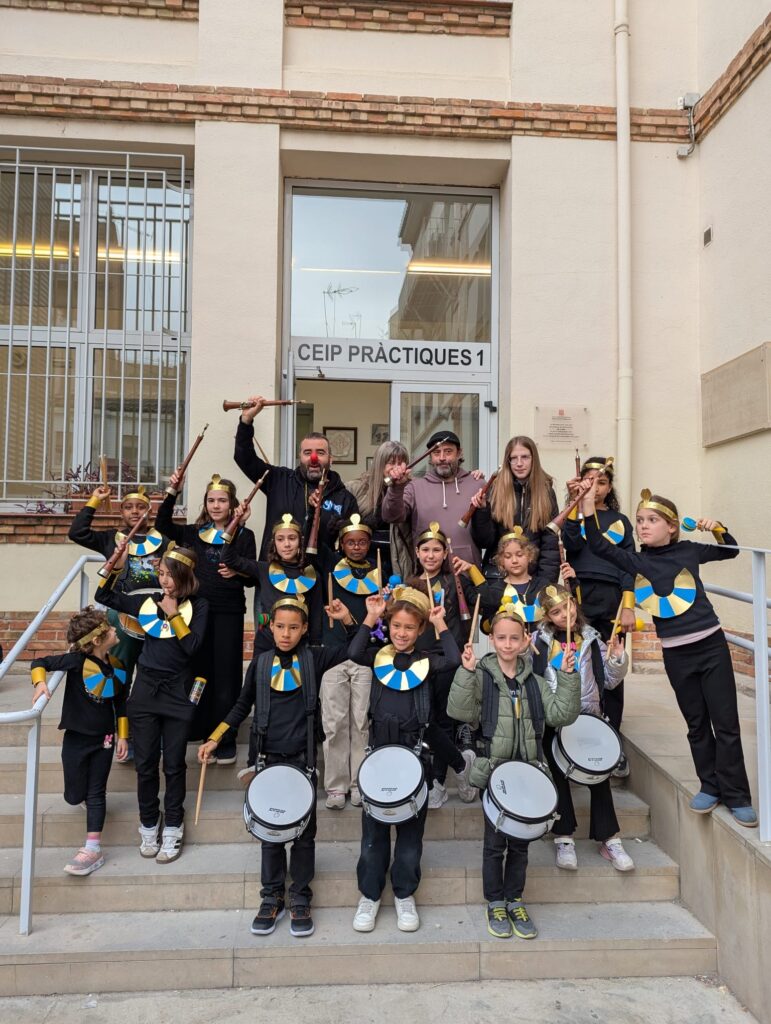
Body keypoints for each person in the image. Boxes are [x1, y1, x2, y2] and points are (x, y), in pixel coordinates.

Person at [581, 481, 758, 827]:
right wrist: (588, 506)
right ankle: (710, 786)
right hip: (677, 655)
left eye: (652, 520)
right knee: (696, 724)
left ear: (672, 526)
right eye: (639, 520)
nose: (643, 526)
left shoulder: (689, 550)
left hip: (711, 647)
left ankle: (737, 795)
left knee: (726, 723)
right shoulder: (636, 561)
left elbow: (731, 551)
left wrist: (717, 528)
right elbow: (599, 545)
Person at [198, 595, 356, 939]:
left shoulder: (314, 658)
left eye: (293, 627)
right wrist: (215, 737)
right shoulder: (260, 663)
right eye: (280, 626)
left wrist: (347, 619)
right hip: (266, 759)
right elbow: (242, 705)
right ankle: (271, 897)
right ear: (270, 627)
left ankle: (300, 895)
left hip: (302, 761)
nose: (286, 634)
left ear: (304, 629)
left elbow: (354, 650)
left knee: (303, 835)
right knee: (270, 833)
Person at [447, 606, 580, 939]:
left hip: (529, 772)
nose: (507, 644)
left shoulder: (536, 683)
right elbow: (459, 711)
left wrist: (567, 677)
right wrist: (465, 672)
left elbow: (561, 715)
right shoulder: (481, 677)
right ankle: (495, 901)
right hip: (494, 772)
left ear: (524, 641)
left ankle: (515, 899)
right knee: (495, 843)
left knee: (521, 844)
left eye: (514, 638)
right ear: (491, 640)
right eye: (501, 638)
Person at [347, 586, 461, 934]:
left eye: (409, 627)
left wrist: (441, 624)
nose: (401, 633)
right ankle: (369, 895)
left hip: (415, 759)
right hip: (380, 758)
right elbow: (354, 651)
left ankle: (404, 894)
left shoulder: (426, 662)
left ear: (420, 629)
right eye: (396, 625)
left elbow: (454, 659)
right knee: (373, 835)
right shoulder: (378, 656)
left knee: (410, 838)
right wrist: (371, 617)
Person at [95, 544, 209, 862]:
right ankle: (148, 821)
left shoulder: (200, 606)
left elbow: (192, 647)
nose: (165, 581)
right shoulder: (148, 601)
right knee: (145, 765)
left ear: (185, 576)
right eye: (161, 574)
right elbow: (104, 596)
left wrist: (173, 615)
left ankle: (173, 823)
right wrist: (115, 566)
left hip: (178, 692)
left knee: (173, 764)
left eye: (170, 575)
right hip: (145, 690)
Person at [156, 469, 256, 764]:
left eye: (222, 500)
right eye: (211, 500)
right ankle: (199, 729)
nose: (216, 505)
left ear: (232, 503)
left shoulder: (244, 535)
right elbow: (162, 525)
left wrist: (238, 569)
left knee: (226, 675)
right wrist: (173, 491)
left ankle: (223, 736)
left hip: (228, 612)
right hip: (196, 610)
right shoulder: (191, 533)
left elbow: (252, 577)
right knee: (198, 671)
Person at [534, 584, 634, 872]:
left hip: (587, 717)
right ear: (547, 616)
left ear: (574, 605)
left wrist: (617, 659)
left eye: (567, 607)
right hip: (554, 720)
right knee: (559, 777)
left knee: (598, 777)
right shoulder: (539, 642)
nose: (564, 614)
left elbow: (609, 680)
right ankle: (564, 837)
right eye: (556, 612)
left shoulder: (591, 639)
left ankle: (609, 838)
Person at [30, 608, 129, 876]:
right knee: (74, 796)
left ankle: (92, 848)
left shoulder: (118, 666)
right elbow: (39, 662)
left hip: (104, 739)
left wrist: (122, 735)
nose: (115, 629)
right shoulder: (75, 662)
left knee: (97, 792)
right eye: (109, 628)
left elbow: (122, 703)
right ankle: (79, 797)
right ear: (97, 640)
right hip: (75, 738)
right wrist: (40, 684)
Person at [563, 456, 636, 773]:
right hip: (580, 595)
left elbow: (629, 564)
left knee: (611, 666)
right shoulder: (575, 515)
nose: (595, 487)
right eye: (588, 481)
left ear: (609, 487)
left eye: (601, 482)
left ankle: (612, 739)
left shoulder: (620, 521)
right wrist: (576, 504)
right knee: (580, 665)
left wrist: (629, 604)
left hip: (612, 599)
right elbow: (571, 545)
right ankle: (577, 735)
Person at [68, 484, 169, 694]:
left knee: (155, 674)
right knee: (119, 671)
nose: (135, 511)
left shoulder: (165, 541)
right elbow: (77, 533)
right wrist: (94, 501)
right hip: (121, 613)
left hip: (157, 612)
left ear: (149, 511)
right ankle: (118, 712)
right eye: (128, 507)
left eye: (141, 507)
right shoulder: (110, 538)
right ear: (121, 512)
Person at [233, 396, 359, 559]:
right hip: (274, 570)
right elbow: (244, 458)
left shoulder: (345, 499)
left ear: (331, 459)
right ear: (300, 457)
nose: (313, 458)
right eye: (307, 452)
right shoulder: (278, 480)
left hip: (318, 573)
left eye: (320, 453)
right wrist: (246, 421)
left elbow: (351, 543)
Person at [410, 521, 477, 809]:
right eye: (425, 549)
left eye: (436, 550)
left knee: (445, 719)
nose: (430, 555)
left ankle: (438, 782)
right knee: (426, 721)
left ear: (446, 552)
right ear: (417, 552)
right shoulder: (409, 584)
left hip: (448, 657)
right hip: (420, 658)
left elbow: (485, 601)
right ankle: (460, 764)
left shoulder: (455, 582)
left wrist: (473, 572)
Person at [320, 513, 378, 809]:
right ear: (341, 544)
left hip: (364, 656)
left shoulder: (379, 574)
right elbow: (316, 541)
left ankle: (358, 783)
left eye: (362, 542)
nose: (356, 547)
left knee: (361, 721)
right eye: (351, 542)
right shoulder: (330, 567)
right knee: (334, 723)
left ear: (369, 544)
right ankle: (336, 786)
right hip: (333, 655)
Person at [220, 512, 324, 649]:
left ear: (300, 541)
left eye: (292, 538)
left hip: (299, 646)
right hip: (266, 645)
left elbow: (316, 616)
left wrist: (315, 647)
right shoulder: (263, 569)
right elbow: (228, 558)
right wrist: (238, 523)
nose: (286, 544)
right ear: (274, 543)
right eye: (280, 539)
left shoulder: (312, 576)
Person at [380, 430, 485, 566]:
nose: (442, 458)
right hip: (428, 571)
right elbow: (391, 517)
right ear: (430, 456)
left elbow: (488, 533)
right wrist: (396, 488)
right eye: (436, 453)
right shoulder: (414, 487)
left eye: (448, 452)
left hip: (468, 570)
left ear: (459, 453)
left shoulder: (477, 484)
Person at [469, 435, 560, 583]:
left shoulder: (546, 491)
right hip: (498, 577)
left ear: (534, 459)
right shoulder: (495, 489)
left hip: (533, 579)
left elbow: (550, 546)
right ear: (508, 461)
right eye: (514, 458)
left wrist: (544, 584)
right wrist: (482, 511)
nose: (519, 463)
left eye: (525, 457)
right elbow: (485, 541)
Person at [456, 526, 546, 634]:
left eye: (520, 555)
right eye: (508, 556)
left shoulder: (543, 586)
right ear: (501, 561)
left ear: (530, 556)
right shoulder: (496, 590)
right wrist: (497, 617)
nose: (514, 560)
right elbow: (485, 628)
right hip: (509, 643)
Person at [346, 440, 414, 581]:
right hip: (362, 562)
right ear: (379, 464)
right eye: (391, 463)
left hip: (398, 563)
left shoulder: (411, 489)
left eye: (400, 463)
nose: (396, 468)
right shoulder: (355, 488)